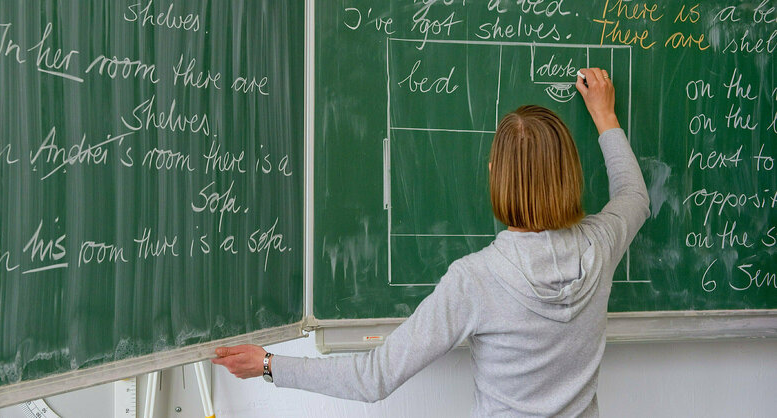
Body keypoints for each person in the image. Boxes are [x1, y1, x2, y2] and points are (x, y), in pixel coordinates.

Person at [212, 68, 650, 417]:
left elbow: (374, 378)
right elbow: (634, 196)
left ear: (495, 173)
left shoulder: (476, 280)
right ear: (569, 174)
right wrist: (605, 116)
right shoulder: (600, 245)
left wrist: (269, 365)